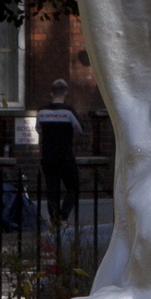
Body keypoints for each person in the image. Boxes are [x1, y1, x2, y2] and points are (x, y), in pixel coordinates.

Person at [35, 78, 84, 261]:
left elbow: (38, 129)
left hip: (47, 157)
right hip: (65, 156)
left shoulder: (42, 112)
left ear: (51, 93)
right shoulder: (68, 111)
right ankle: (63, 217)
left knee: (52, 190)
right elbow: (80, 128)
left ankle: (54, 221)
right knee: (74, 187)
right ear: (66, 93)